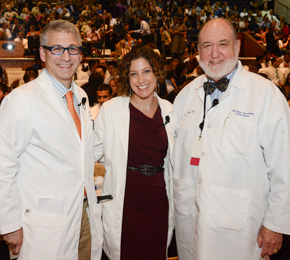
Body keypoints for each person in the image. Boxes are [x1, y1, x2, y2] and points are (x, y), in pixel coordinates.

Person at [173, 18, 290, 260]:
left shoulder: (266, 95)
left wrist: (276, 225)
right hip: (190, 225)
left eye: (222, 44)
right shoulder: (185, 96)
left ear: (237, 46)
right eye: (206, 45)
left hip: (243, 231)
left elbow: (284, 166)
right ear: (198, 52)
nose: (214, 54)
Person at [0, 20, 102, 260]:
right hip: (42, 223)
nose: (66, 56)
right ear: (43, 54)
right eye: (57, 48)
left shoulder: (81, 95)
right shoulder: (21, 100)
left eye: (73, 48)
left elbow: (81, 150)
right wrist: (9, 224)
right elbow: (3, 166)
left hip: (84, 216)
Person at [94, 47, 174, 260]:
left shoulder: (170, 110)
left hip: (159, 201)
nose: (141, 80)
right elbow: (88, 154)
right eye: (133, 73)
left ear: (157, 72)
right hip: (126, 201)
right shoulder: (111, 110)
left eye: (146, 71)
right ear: (126, 78)